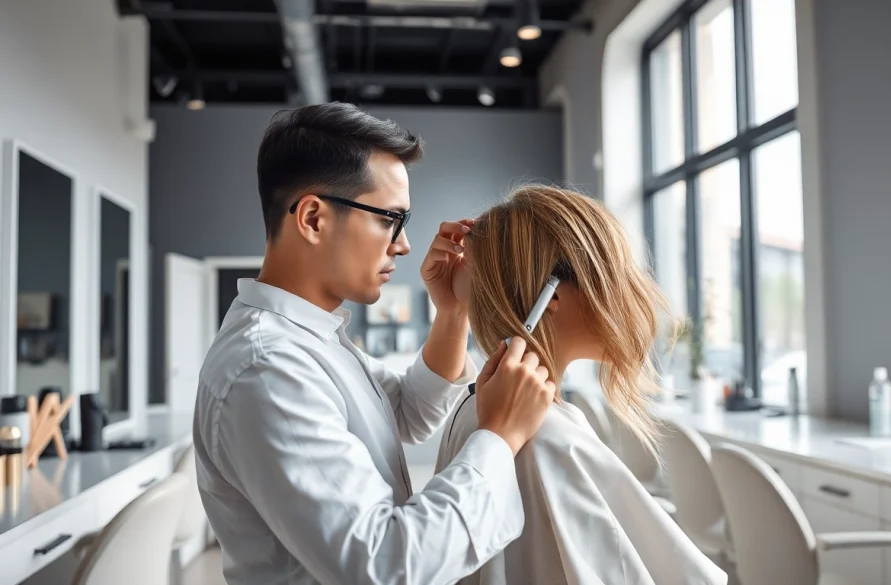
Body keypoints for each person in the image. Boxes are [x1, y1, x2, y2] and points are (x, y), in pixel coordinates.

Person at [192, 103, 556, 585]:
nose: (403, 245)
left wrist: (451, 311)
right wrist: (500, 437)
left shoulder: (311, 339)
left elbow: (407, 413)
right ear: (314, 218)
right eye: (390, 219)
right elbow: (382, 567)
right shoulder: (268, 368)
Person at [437, 185, 727, 585]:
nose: (633, 290)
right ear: (550, 294)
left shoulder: (476, 408)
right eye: (614, 271)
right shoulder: (548, 439)